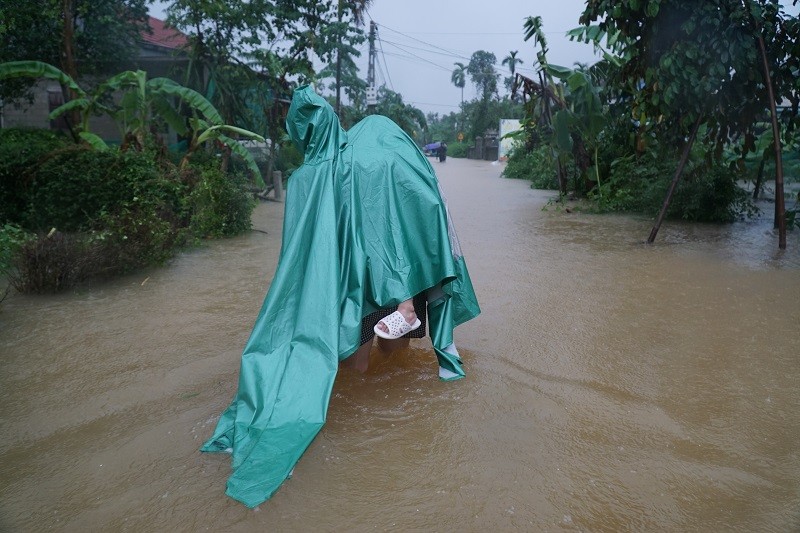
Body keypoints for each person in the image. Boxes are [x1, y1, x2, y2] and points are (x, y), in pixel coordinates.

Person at [200, 85, 480, 508]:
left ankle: (366, 430)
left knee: (358, 364)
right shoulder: (377, 158)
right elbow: (418, 213)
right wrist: (409, 286)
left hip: (348, 293)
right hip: (396, 279)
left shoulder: (306, 178)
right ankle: (390, 423)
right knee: (390, 352)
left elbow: (298, 260)